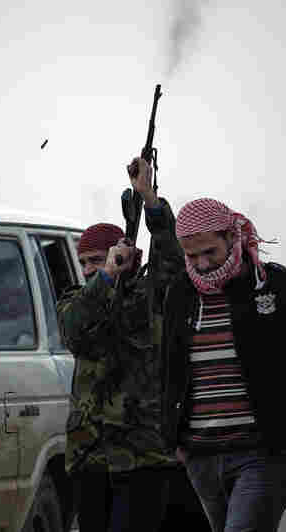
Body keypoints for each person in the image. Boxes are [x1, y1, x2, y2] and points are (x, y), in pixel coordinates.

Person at [161, 197, 286, 532]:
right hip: (201, 455)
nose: (203, 263)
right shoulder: (180, 293)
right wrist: (173, 438)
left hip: (263, 451)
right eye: (192, 256)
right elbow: (169, 368)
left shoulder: (280, 287)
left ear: (232, 237)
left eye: (211, 251)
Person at [57, 157, 186, 532]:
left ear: (125, 255)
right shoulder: (77, 301)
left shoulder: (151, 295)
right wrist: (107, 276)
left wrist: (149, 199)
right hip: (89, 454)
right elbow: (74, 331)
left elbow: (174, 263)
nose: (88, 270)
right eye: (83, 263)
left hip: (142, 453)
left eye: (96, 260)